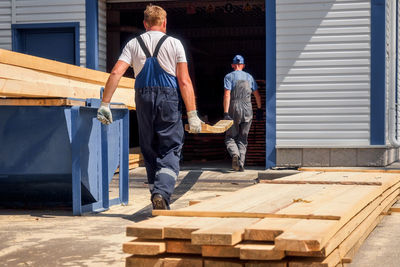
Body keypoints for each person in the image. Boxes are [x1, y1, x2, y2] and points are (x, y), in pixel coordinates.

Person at [96, 4, 202, 210]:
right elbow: (185, 81)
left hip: (143, 98)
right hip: (168, 98)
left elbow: (116, 73)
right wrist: (192, 113)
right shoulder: (175, 44)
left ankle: (156, 193)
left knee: (149, 147)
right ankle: (162, 192)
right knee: (171, 146)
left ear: (145, 24)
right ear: (164, 23)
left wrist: (104, 104)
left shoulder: (133, 44)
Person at [223, 55, 262, 171]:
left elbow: (227, 94)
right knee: (243, 138)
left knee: (230, 137)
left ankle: (235, 154)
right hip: (248, 107)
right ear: (243, 65)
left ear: (232, 65)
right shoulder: (249, 77)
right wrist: (259, 109)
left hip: (234, 106)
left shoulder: (228, 76)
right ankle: (241, 163)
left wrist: (226, 112)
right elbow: (257, 95)